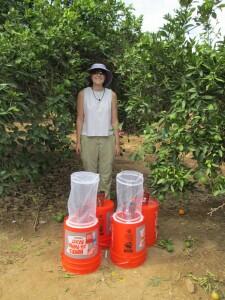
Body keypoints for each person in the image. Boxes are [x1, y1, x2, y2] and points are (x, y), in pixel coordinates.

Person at [75, 63, 120, 198]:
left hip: (108, 138)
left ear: (105, 77)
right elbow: (80, 119)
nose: (98, 75)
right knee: (90, 173)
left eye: (101, 73)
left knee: (106, 174)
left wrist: (117, 143)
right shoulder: (83, 94)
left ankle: (104, 203)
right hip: (87, 138)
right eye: (95, 72)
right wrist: (78, 141)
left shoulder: (111, 95)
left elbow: (114, 120)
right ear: (91, 76)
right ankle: (90, 203)